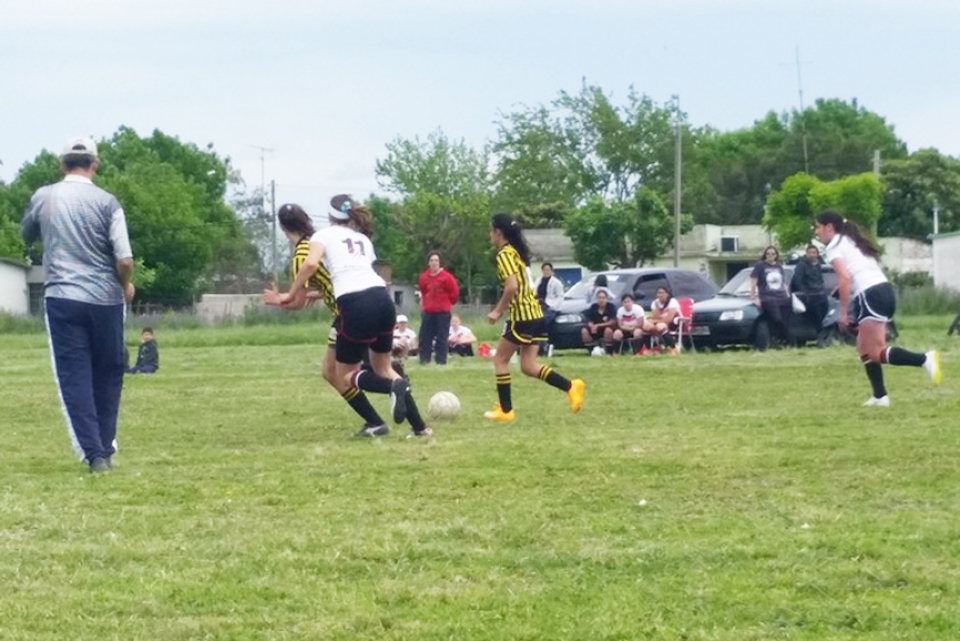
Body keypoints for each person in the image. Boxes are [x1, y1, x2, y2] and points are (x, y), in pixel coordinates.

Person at [20, 136, 135, 473]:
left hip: (63, 298)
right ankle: (106, 446)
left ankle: (93, 454)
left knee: (74, 376)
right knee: (109, 373)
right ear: (94, 165)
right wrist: (125, 284)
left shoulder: (44, 197)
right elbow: (124, 259)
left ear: (62, 164)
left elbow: (26, 232)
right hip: (106, 300)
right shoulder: (109, 203)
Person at [279, 195, 433, 437]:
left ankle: (393, 389)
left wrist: (290, 293)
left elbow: (310, 265)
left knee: (345, 376)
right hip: (383, 300)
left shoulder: (322, 236)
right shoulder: (362, 239)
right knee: (383, 367)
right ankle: (420, 428)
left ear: (330, 216)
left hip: (355, 306)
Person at [263, 203, 392, 437]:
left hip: (348, 312)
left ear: (283, 228)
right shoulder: (320, 243)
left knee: (335, 372)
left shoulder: (301, 256)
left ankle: (379, 413)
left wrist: (279, 300)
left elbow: (297, 303)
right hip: (369, 302)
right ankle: (388, 401)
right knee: (342, 369)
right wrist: (319, 293)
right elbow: (335, 278)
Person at [814, 210, 941, 406]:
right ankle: (880, 396)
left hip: (870, 294)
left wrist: (843, 312)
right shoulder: (850, 240)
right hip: (882, 291)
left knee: (875, 351)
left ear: (830, 227)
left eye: (818, 227)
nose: (816, 232)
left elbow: (845, 278)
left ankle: (924, 359)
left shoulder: (833, 247)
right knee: (864, 348)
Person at [483, 213, 585, 422]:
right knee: (528, 366)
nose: (489, 235)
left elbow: (512, 287)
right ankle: (571, 386)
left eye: (490, 230)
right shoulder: (517, 252)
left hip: (522, 315)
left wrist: (498, 310)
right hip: (536, 313)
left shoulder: (504, 254)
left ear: (498, 232)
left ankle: (506, 410)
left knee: (500, 359)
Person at [417, 251, 459, 365]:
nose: (434, 263)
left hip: (442, 312)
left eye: (436, 260)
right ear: (428, 263)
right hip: (428, 311)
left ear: (440, 263)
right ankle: (424, 359)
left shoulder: (447, 277)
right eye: (431, 260)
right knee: (425, 336)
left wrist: (448, 303)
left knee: (442, 337)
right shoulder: (423, 277)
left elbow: (454, 292)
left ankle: (441, 360)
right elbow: (423, 291)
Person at [750, 245, 791, 348]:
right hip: (768, 297)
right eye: (768, 254)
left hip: (782, 297)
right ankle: (775, 339)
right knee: (777, 319)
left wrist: (787, 294)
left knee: (785, 321)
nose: (770, 256)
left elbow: (783, 282)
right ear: (765, 255)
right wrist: (754, 297)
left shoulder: (779, 267)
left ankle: (781, 341)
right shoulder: (760, 266)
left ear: (776, 255)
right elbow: (753, 282)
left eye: (772, 254)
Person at [790, 244, 829, 337]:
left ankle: (824, 334)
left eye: (814, 253)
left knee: (825, 315)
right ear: (806, 253)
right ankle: (820, 335)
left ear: (817, 254)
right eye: (810, 253)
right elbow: (797, 280)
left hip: (821, 295)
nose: (812, 255)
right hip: (810, 296)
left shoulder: (818, 265)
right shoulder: (801, 265)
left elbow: (820, 279)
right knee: (816, 317)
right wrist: (804, 293)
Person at [533, 262, 565, 356]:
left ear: (551, 271)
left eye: (548, 270)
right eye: (544, 270)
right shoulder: (538, 280)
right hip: (538, 305)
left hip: (550, 307)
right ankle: (538, 346)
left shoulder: (556, 282)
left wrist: (554, 306)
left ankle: (545, 346)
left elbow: (560, 296)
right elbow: (534, 292)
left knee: (542, 322)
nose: (546, 272)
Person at [641, 286, 682, 354]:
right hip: (658, 323)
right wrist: (657, 307)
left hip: (673, 323)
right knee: (645, 326)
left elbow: (668, 320)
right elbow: (656, 317)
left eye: (662, 293)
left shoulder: (672, 302)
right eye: (658, 293)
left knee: (659, 326)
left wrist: (654, 321)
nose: (660, 295)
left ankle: (673, 347)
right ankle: (652, 348)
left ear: (667, 294)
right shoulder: (655, 303)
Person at [580, 289, 617, 354]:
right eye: (599, 298)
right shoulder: (593, 307)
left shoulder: (611, 307)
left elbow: (613, 321)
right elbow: (588, 319)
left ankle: (608, 351)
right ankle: (591, 350)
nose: (601, 300)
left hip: (606, 327)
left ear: (606, 299)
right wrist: (591, 326)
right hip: (595, 329)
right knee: (584, 331)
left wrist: (598, 325)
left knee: (608, 330)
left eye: (603, 298)